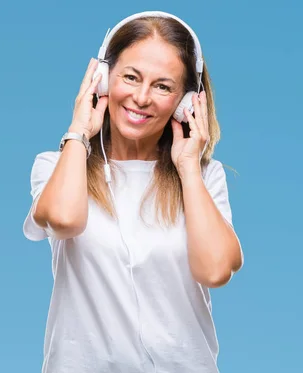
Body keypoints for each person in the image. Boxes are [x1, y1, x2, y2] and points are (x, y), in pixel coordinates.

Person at [22, 11, 244, 373]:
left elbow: (216, 269)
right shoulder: (58, 165)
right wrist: (80, 129)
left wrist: (188, 167)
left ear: (187, 101)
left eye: (163, 86)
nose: (141, 98)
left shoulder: (205, 177)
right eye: (130, 77)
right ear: (103, 79)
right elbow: (63, 220)